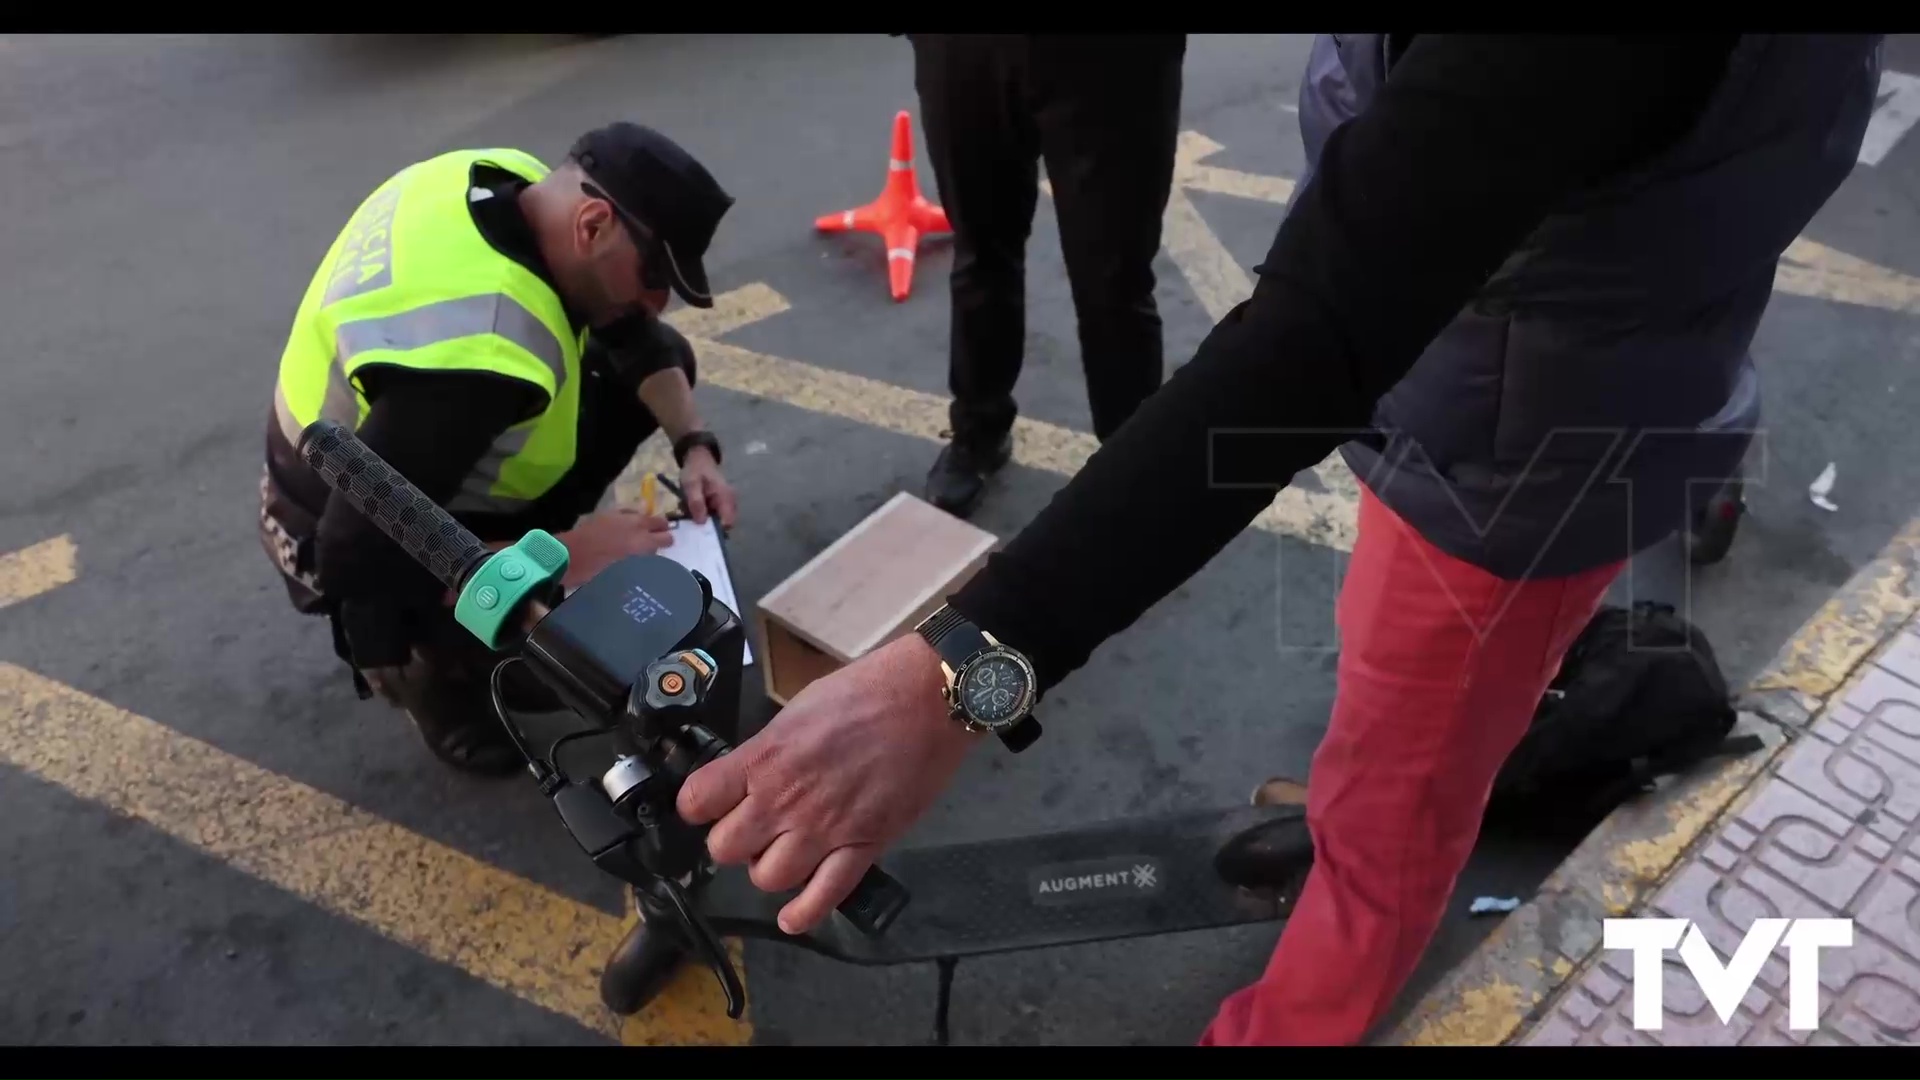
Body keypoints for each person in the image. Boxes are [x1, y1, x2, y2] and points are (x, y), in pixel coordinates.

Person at [673, 34, 1884, 1044]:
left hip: (1515, 461)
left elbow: (1312, 339)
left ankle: (1293, 1016)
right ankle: (1360, 810)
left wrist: (960, 676)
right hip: (1504, 382)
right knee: (1392, 715)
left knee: (1405, 795)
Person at [257, 122, 742, 777]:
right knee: (570, 666)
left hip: (398, 455)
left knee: (652, 364)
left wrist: (695, 448)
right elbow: (356, 556)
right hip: (342, 535)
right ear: (593, 224)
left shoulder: (506, 181)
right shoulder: (478, 358)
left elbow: (639, 341)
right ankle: (427, 675)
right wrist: (570, 554)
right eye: (656, 273)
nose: (658, 300)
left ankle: (503, 563)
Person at [907, 33, 1187, 518]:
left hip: (1112, 60)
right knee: (980, 253)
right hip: (964, 50)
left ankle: (1132, 462)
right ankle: (978, 430)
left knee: (1114, 279)